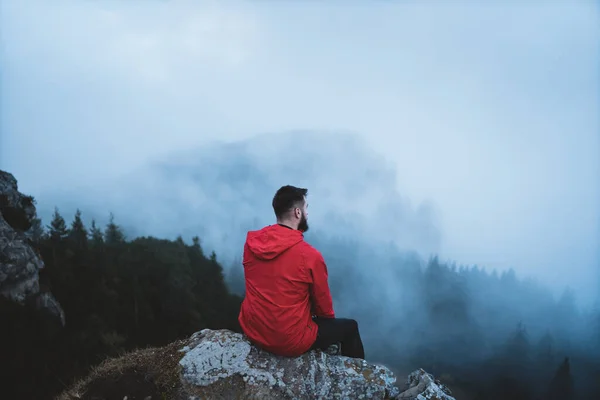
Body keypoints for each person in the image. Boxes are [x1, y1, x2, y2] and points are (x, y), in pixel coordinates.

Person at [238, 185, 365, 359]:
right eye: (306, 208)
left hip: (254, 330)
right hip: (288, 340)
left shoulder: (251, 244)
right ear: (297, 213)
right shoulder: (310, 255)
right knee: (350, 327)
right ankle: (357, 381)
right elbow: (324, 310)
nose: (307, 213)